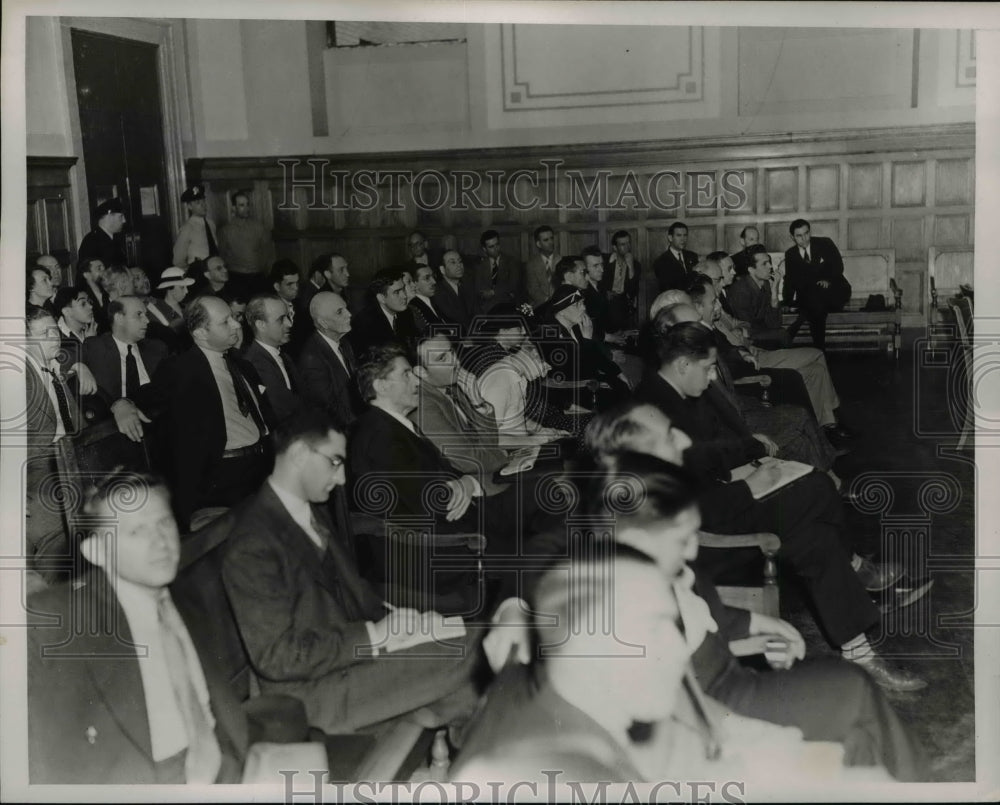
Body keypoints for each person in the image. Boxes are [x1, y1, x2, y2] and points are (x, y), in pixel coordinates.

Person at [633, 324, 928, 691]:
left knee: (816, 540)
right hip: (701, 538)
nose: (712, 378)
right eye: (708, 368)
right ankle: (859, 572)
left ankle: (861, 653)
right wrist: (749, 485)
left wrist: (747, 455)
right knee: (818, 487)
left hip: (720, 504)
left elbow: (703, 457)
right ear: (681, 364)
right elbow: (681, 505)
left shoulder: (670, 396)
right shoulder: (651, 414)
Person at [221, 412, 486, 733]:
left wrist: (406, 620)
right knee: (480, 647)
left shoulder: (308, 509)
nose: (343, 478)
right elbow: (278, 658)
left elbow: (353, 592)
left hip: (347, 661)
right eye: (335, 462)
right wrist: (375, 636)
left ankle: (450, 742)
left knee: (472, 643)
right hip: (310, 694)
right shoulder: (253, 542)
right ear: (300, 455)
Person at [27, 472, 247, 783]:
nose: (160, 542)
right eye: (136, 531)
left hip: (226, 768)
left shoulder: (185, 593)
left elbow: (220, 714)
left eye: (164, 523)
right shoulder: (58, 624)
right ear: (97, 553)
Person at [151, 294, 275, 531]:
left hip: (261, 468)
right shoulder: (180, 370)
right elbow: (147, 397)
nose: (237, 325)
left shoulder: (243, 366)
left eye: (233, 318)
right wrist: (121, 404)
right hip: (223, 480)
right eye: (225, 321)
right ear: (200, 333)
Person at [701, 253, 852, 441]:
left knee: (816, 369)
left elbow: (768, 323)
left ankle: (828, 423)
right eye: (765, 263)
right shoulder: (731, 295)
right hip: (752, 356)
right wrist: (742, 339)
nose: (771, 267)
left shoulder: (750, 290)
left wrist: (773, 291)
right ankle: (833, 418)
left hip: (754, 349)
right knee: (817, 354)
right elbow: (741, 331)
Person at [23, 306, 81, 584]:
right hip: (37, 478)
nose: (54, 337)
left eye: (54, 331)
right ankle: (51, 601)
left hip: (69, 463)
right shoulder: (16, 377)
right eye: (43, 333)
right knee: (59, 532)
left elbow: (76, 424)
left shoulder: (52, 369)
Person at [82, 295, 167, 442]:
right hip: (115, 434)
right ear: (119, 318)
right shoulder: (95, 348)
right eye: (139, 315)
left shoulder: (157, 349)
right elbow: (64, 356)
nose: (147, 320)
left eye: (146, 315)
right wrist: (80, 366)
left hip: (158, 430)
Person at [782, 219, 852, 350]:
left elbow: (838, 266)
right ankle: (819, 350)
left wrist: (828, 280)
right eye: (799, 236)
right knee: (815, 302)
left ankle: (801, 319)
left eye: (806, 233)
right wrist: (787, 302)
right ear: (792, 237)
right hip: (814, 301)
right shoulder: (790, 255)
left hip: (835, 293)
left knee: (813, 301)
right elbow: (790, 280)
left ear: (810, 231)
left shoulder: (825, 243)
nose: (804, 238)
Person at [297, 292, 360, 430]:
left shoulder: (344, 343)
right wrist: (363, 426)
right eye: (339, 312)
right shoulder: (312, 359)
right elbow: (330, 408)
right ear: (323, 323)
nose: (349, 314)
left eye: (346, 308)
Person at [243, 293, 303, 426]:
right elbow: (284, 410)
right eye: (281, 319)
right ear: (261, 325)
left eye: (288, 317)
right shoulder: (254, 363)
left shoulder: (284, 356)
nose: (289, 323)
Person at [347, 268, 418, 356]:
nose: (404, 295)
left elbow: (413, 347)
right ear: (381, 298)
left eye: (403, 289)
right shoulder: (365, 324)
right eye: (396, 292)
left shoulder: (406, 313)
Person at [218, 189, 274, 295]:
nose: (246, 208)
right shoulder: (225, 231)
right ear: (234, 208)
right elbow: (222, 255)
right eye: (242, 205)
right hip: (236, 278)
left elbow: (267, 253)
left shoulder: (259, 228)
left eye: (247, 204)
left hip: (257, 277)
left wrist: (262, 271)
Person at [146, 266, 195, 353]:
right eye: (182, 287)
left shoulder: (187, 308)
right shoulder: (154, 310)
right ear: (170, 289)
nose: (187, 291)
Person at [472, 229, 522, 312]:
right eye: (491, 247)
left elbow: (513, 286)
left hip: (508, 307)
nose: (496, 249)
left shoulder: (511, 262)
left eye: (497, 244)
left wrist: (493, 292)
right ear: (484, 249)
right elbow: (479, 290)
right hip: (486, 309)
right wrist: (503, 291)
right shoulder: (479, 266)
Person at [600, 230, 640, 332]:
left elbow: (633, 291)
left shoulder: (636, 265)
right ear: (615, 248)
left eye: (628, 243)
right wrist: (605, 292)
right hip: (604, 300)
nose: (627, 247)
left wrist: (630, 267)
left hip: (622, 302)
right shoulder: (604, 260)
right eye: (623, 244)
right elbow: (595, 280)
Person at [172, 184, 219, 268]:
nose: (203, 205)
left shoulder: (211, 224)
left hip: (214, 271)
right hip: (199, 272)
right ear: (190, 206)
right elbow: (177, 260)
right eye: (198, 203)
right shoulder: (187, 228)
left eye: (204, 201)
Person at [432, 249, 477, 331]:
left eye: (460, 261)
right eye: (453, 262)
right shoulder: (439, 292)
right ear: (442, 269)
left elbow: (477, 312)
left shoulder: (467, 285)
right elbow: (455, 320)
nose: (459, 265)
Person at [78, 197, 128, 270]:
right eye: (121, 217)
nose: (124, 221)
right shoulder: (91, 241)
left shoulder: (114, 238)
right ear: (109, 218)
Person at [652, 221, 700, 292]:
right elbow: (671, 287)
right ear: (670, 238)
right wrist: (694, 273)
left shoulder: (692, 256)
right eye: (679, 235)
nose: (683, 239)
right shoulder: (661, 262)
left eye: (685, 235)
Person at [524, 225, 562, 308]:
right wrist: (548, 302)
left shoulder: (561, 260)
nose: (550, 242)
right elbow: (533, 290)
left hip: (560, 304)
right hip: (540, 306)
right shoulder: (531, 264)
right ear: (538, 244)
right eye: (546, 240)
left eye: (552, 238)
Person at [408, 264, 450, 334]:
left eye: (433, 276)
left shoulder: (433, 301)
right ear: (415, 283)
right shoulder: (414, 308)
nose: (434, 281)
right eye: (427, 278)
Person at [76, 257, 110, 333]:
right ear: (87, 274)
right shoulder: (81, 296)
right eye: (99, 269)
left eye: (104, 268)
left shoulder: (109, 292)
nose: (104, 272)